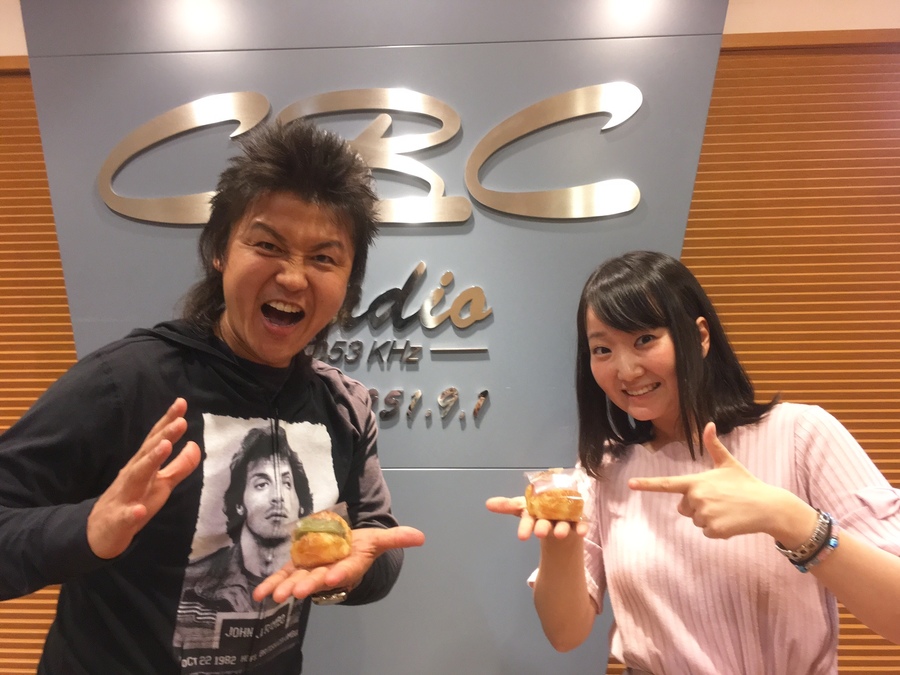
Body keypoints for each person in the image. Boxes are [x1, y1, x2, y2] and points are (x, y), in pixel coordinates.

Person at [0, 118, 425, 674]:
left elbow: (376, 537)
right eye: (267, 245)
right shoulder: (125, 383)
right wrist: (87, 531)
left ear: (347, 284)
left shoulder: (344, 408)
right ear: (220, 250)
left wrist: (352, 572)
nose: (293, 278)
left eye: (324, 257)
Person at [487, 250, 900, 674]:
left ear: (700, 336)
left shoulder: (800, 435)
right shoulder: (606, 466)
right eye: (602, 349)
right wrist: (560, 542)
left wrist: (788, 518)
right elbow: (564, 633)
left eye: (644, 340)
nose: (626, 370)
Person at [175, 426, 313, 650]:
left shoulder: (312, 568)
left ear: (301, 505)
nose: (278, 497)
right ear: (239, 503)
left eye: (287, 484)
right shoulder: (195, 582)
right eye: (262, 484)